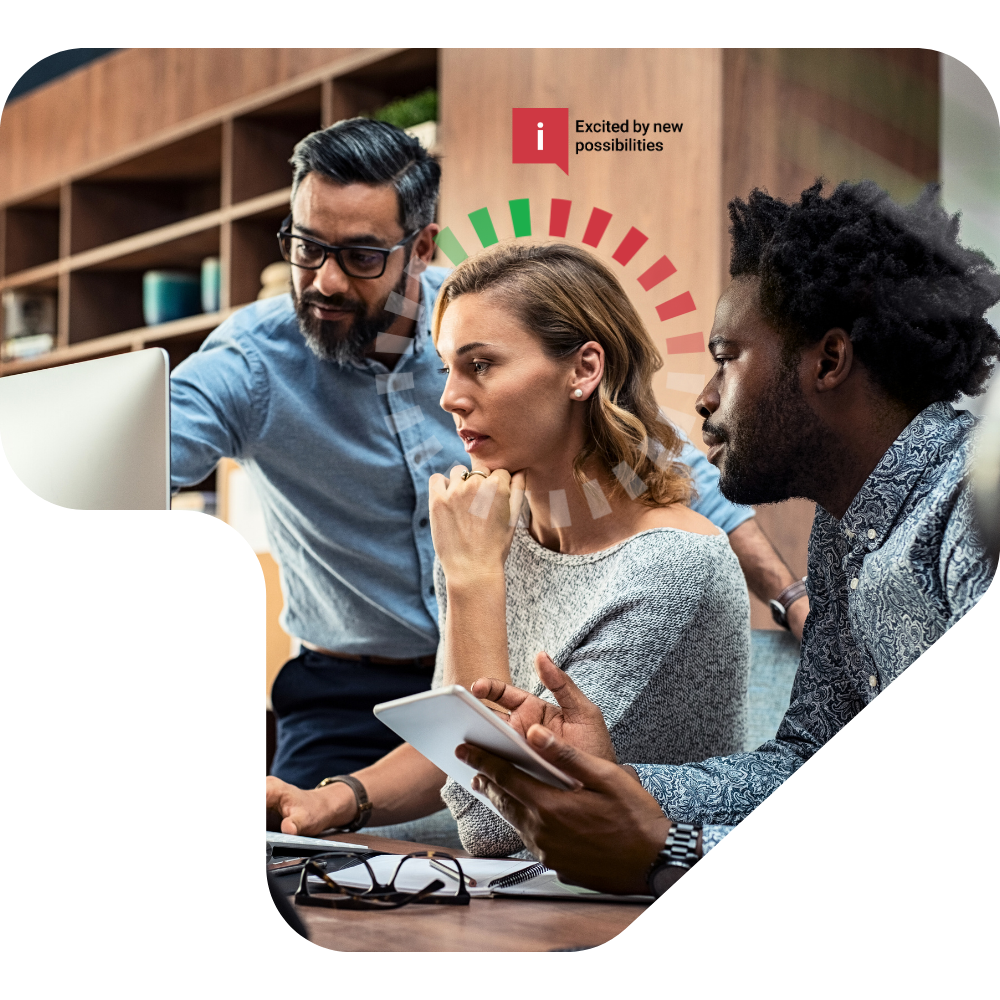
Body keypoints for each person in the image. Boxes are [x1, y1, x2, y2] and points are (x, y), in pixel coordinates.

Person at [169, 117, 806, 794]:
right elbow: (131, 464)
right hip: (343, 690)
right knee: (289, 862)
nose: (323, 281)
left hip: (508, 666)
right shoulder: (251, 364)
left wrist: (792, 598)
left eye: (359, 256)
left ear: (419, 248)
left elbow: (673, 472)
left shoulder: (490, 315)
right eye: (306, 248)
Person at [451, 179, 1000, 891]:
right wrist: (608, 777)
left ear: (828, 362)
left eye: (726, 355)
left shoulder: (971, 510)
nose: (706, 398)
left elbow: (971, 810)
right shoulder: (845, 537)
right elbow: (807, 767)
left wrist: (674, 849)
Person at [265, 241, 753, 855]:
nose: (450, 397)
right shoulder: (496, 535)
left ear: (584, 369)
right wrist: (336, 798)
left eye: (482, 365)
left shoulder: (673, 566)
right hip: (528, 900)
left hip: (639, 918)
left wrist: (471, 577)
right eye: (447, 367)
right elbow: (454, 734)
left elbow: (495, 821)